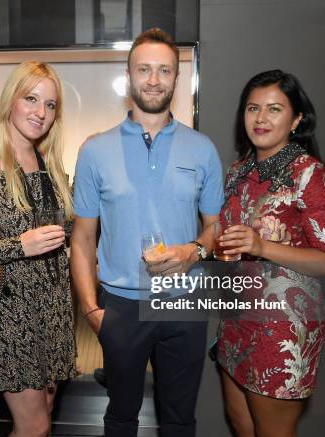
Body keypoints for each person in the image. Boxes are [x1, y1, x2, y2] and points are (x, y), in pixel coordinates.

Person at [71, 28, 224, 437]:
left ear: (177, 77)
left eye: (164, 70)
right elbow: (82, 240)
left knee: (178, 420)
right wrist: (92, 311)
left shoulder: (203, 149)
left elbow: (215, 229)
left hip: (184, 303)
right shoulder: (95, 151)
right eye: (144, 69)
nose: (154, 79)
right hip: (120, 305)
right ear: (129, 75)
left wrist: (194, 250)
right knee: (121, 418)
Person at [214, 70, 325, 437]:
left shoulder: (313, 176)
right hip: (235, 321)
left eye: (274, 109)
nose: (261, 118)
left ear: (297, 119)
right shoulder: (238, 171)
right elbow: (223, 234)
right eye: (253, 108)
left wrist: (262, 247)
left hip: (282, 330)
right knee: (241, 425)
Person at [0, 61, 77, 437]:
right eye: (31, 99)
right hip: (11, 315)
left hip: (54, 310)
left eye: (51, 105)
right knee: (34, 426)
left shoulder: (50, 166)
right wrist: (19, 246)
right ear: (12, 100)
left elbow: (66, 231)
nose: (41, 112)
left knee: (45, 413)